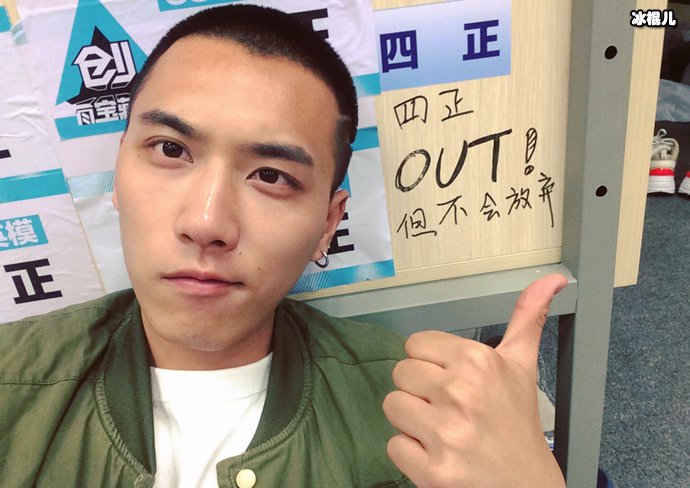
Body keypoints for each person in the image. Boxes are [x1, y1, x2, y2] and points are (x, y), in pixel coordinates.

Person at [0, 5, 567, 487]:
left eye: (271, 176)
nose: (206, 222)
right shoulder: (14, 384)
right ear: (119, 175)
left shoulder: (423, 411)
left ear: (327, 224)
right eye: (171, 150)